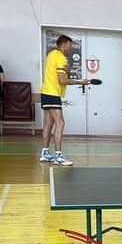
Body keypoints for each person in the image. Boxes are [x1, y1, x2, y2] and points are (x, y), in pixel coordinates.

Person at [39, 34, 89, 166]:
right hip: (52, 94)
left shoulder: (51, 55)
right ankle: (58, 156)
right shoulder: (61, 57)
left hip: (45, 92)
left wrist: (68, 71)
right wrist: (80, 81)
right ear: (63, 45)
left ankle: (45, 153)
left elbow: (61, 76)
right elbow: (62, 81)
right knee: (60, 123)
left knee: (48, 123)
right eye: (69, 45)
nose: (71, 48)